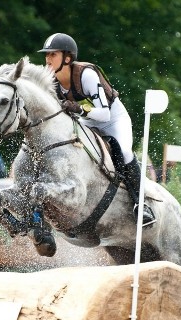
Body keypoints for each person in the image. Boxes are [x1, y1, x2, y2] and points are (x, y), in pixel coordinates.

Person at [38, 32, 155, 227]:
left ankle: (142, 204)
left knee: (124, 152)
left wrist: (79, 108)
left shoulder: (86, 74)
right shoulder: (51, 81)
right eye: (47, 55)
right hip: (87, 122)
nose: (48, 59)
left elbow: (104, 114)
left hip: (113, 119)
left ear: (67, 58)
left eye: (53, 55)